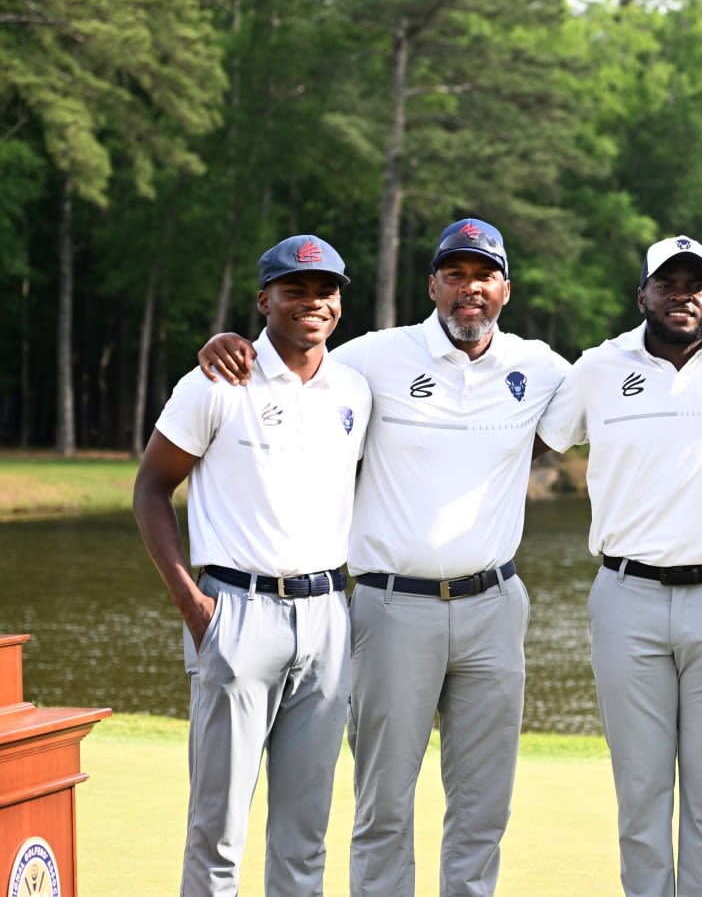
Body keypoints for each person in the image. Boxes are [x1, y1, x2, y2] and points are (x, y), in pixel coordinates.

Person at [198, 218, 571, 896]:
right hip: (393, 607)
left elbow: (611, 390)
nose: (469, 289)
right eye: (454, 275)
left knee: (483, 808)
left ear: (505, 289)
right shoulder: (375, 357)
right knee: (384, 806)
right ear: (432, 284)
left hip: (494, 607)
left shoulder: (540, 367)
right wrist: (229, 345)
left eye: (483, 275)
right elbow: (293, 358)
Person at [534, 235, 702, 897]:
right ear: (642, 294)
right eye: (667, 284)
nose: (682, 295)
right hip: (627, 598)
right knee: (641, 794)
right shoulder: (596, 367)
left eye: (696, 285)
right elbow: (538, 437)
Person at [133, 234, 371, 896]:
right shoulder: (215, 380)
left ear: (340, 305)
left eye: (325, 291)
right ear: (265, 300)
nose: (312, 302)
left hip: (327, 618)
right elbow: (151, 488)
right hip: (234, 613)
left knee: (304, 833)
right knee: (218, 832)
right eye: (295, 289)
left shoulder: (355, 388)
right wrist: (193, 605)